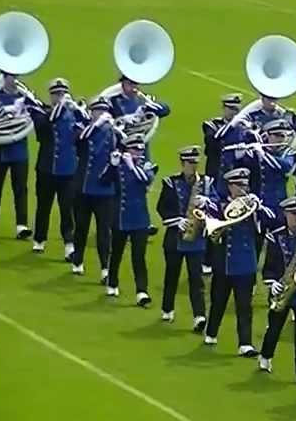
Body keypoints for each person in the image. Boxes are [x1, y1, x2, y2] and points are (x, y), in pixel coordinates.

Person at [204, 168, 277, 355]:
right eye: (239, 185)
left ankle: (245, 343)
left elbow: (271, 220)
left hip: (245, 262)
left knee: (244, 305)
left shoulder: (252, 206)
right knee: (218, 301)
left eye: (245, 185)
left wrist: (258, 208)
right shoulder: (219, 205)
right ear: (230, 187)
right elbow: (211, 229)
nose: (243, 189)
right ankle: (211, 332)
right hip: (224, 262)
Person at [156, 146, 212, 331]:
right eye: (189, 163)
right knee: (172, 275)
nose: (193, 167)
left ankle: (199, 316)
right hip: (175, 237)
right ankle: (167, 308)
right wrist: (176, 221)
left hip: (196, 239)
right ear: (182, 163)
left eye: (195, 163)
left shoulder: (206, 183)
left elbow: (217, 205)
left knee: (196, 279)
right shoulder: (170, 182)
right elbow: (162, 208)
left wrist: (208, 203)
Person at [27, 78, 85, 257]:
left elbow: (86, 129)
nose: (60, 97)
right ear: (50, 96)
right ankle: (39, 239)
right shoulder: (40, 112)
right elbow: (44, 127)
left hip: (68, 170)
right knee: (43, 206)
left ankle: (69, 243)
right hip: (46, 168)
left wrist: (79, 110)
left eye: (63, 93)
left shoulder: (74, 113)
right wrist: (60, 107)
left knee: (67, 208)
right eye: (56, 94)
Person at [258, 197, 296, 378]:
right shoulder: (275, 236)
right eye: (294, 214)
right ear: (286, 214)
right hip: (282, 289)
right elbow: (269, 266)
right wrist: (272, 283)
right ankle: (266, 356)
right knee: (274, 327)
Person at [102, 136, 157, 305]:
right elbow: (103, 181)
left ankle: (141, 291)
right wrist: (112, 165)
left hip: (140, 219)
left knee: (138, 256)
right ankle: (112, 282)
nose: (139, 153)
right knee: (116, 252)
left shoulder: (145, 166)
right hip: (120, 217)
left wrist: (131, 166)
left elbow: (145, 179)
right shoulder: (119, 167)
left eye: (140, 150)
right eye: (135, 150)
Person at [0, 70, 34, 239]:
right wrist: (8, 113)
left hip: (19, 149)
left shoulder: (26, 97)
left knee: (20, 188)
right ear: (3, 77)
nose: (14, 80)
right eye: (10, 76)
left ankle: (21, 225)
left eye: (16, 76)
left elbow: (34, 117)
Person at [71, 101, 118, 279]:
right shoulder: (82, 127)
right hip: (83, 187)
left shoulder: (113, 132)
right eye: (97, 111)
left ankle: (105, 268)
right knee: (81, 227)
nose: (101, 114)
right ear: (91, 113)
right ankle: (78, 260)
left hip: (105, 190)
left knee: (104, 231)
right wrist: (96, 124)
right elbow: (80, 139)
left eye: (104, 111)